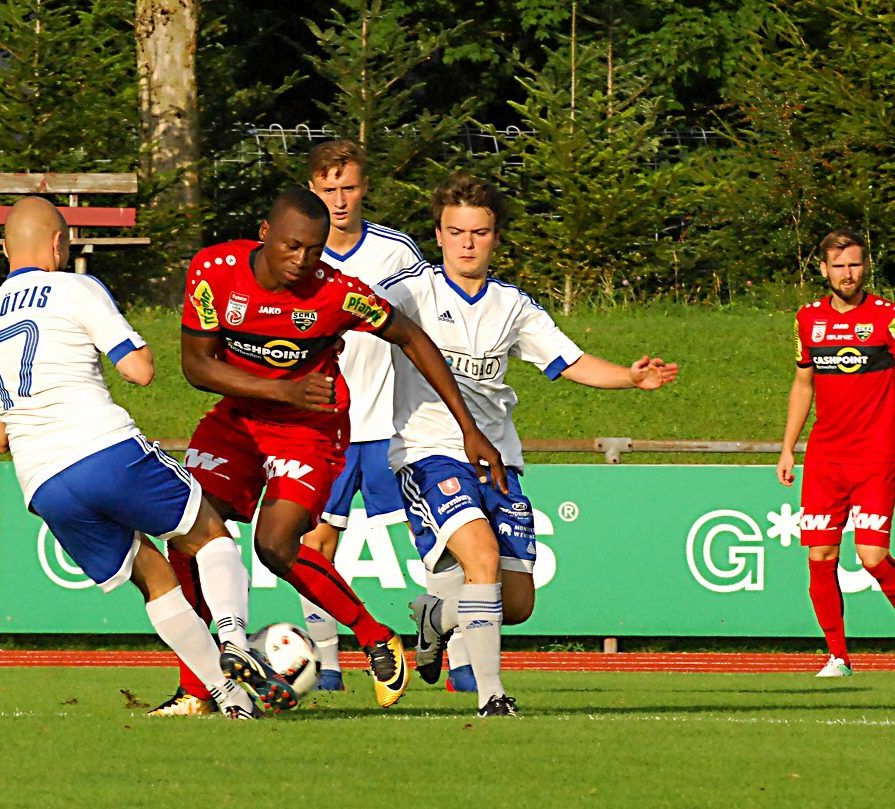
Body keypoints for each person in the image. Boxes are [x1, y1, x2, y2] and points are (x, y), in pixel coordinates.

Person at [158, 186, 505, 714]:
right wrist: (281, 389)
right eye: (292, 247)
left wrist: (468, 428)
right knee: (188, 533)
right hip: (238, 420)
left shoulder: (338, 292)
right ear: (265, 233)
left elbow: (412, 338)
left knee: (274, 547)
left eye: (316, 249)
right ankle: (196, 689)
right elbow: (196, 367)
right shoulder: (214, 270)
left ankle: (373, 635)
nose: (303, 261)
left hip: (310, 427)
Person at [0, 197, 293, 721]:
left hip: (42, 482)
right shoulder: (75, 287)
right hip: (102, 448)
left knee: (153, 578)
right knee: (209, 532)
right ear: (58, 244)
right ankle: (234, 640)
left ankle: (228, 698)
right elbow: (139, 370)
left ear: (5, 249)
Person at [393, 171, 677, 716]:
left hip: (496, 457)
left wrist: (630, 377)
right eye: (457, 232)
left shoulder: (512, 305)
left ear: (496, 237)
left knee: (515, 602)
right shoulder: (409, 293)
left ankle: (436, 616)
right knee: (480, 558)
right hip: (428, 451)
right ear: (439, 235)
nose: (468, 243)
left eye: (479, 232)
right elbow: (348, 316)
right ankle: (492, 694)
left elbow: (570, 361)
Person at [297, 139, 427, 691]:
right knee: (314, 544)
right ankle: (325, 668)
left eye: (348, 187)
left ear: (365, 187)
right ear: (312, 191)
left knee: (433, 542)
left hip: (392, 427)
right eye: (328, 189)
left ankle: (455, 650)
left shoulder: (397, 252)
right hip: (325, 429)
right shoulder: (299, 252)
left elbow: (426, 327)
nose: (340, 200)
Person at [777, 228, 895, 678]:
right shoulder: (807, 319)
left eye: (856, 264)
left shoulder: (886, 316)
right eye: (839, 265)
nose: (848, 273)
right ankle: (838, 657)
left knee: (872, 558)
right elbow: (803, 383)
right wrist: (788, 448)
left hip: (876, 454)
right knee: (821, 556)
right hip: (826, 458)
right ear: (824, 269)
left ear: (866, 267)